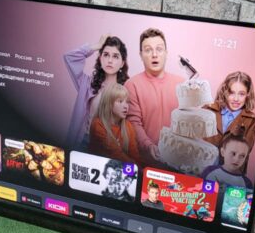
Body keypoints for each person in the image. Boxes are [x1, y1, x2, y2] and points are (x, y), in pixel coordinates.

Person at [125, 28, 183, 166]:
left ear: (166, 53)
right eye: (148, 50)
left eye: (159, 49)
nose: (154, 55)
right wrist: (148, 145)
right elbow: (133, 123)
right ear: (141, 55)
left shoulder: (181, 84)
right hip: (143, 163)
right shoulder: (131, 85)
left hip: (177, 162)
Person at [64, 35, 129, 147]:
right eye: (106, 55)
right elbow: (69, 58)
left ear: (122, 63)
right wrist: (96, 46)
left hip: (114, 147)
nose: (110, 60)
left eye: (115, 56)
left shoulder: (127, 89)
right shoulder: (88, 85)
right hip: (87, 143)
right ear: (100, 58)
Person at [203, 71, 255, 153]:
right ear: (224, 92)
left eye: (241, 94)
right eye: (232, 93)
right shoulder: (208, 109)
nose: (236, 99)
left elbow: (244, 153)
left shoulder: (250, 120)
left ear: (248, 95)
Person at [89, 84, 142, 166]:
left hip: (122, 169)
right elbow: (115, 154)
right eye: (120, 101)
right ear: (109, 103)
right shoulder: (98, 125)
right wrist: (135, 167)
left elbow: (135, 155)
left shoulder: (128, 126)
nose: (126, 106)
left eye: (127, 102)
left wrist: (139, 168)